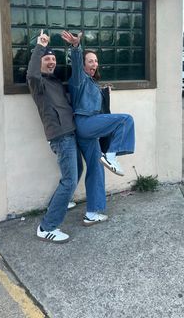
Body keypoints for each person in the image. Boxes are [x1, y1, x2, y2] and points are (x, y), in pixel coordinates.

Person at [61, 30, 135, 226]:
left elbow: (97, 100)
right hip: (85, 123)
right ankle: (111, 155)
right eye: (90, 61)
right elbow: (76, 65)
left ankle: (92, 213)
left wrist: (104, 90)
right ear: (83, 65)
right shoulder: (78, 79)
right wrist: (76, 47)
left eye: (96, 61)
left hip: (89, 132)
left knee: (96, 169)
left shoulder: (92, 83)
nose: (94, 64)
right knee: (125, 120)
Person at [27, 30, 81, 243]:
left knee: (77, 172)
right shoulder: (37, 83)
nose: (51, 62)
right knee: (69, 181)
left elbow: (76, 76)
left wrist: (76, 48)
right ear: (39, 61)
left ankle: (61, 201)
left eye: (53, 59)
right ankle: (47, 227)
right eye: (46, 59)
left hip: (70, 133)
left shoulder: (55, 82)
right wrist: (40, 45)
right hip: (61, 136)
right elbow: (31, 73)